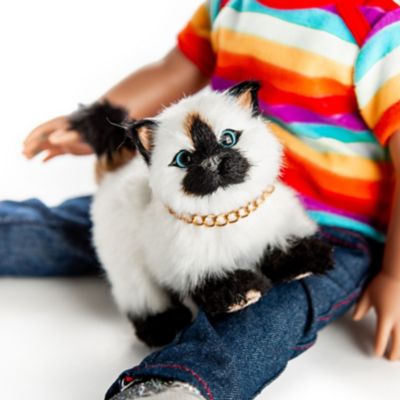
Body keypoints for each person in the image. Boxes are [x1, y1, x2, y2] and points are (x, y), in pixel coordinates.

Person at [3, 0, 400, 399]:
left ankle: (181, 382)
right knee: (93, 224)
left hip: (334, 226)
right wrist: (96, 126)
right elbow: (174, 70)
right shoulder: (232, 6)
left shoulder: (376, 29)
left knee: (275, 310)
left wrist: (394, 275)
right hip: (202, 205)